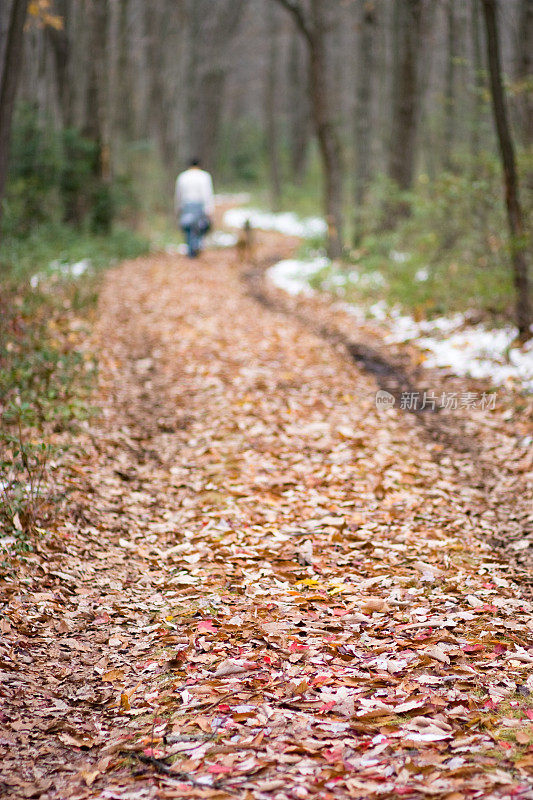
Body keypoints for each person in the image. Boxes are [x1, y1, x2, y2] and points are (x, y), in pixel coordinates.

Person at [174, 158, 215, 258]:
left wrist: (177, 207)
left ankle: (191, 249)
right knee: (199, 227)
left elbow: (178, 194)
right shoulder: (204, 176)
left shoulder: (182, 176)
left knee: (188, 228)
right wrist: (209, 209)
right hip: (199, 205)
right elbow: (207, 193)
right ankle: (196, 246)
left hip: (186, 205)